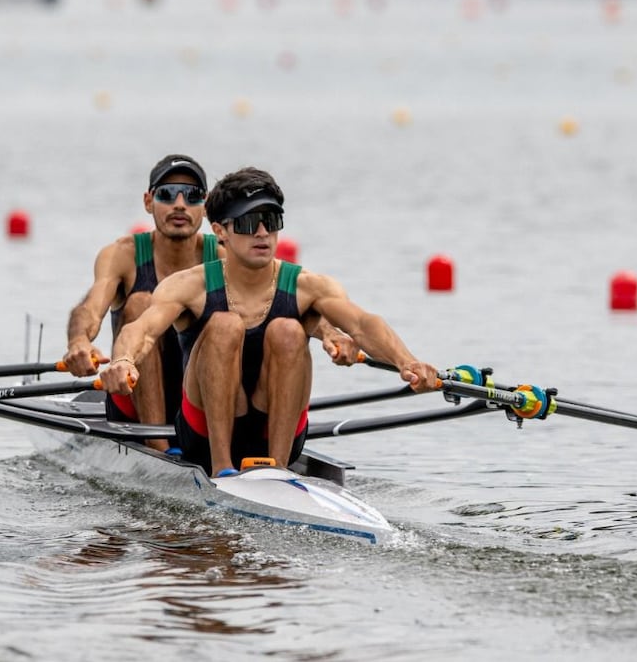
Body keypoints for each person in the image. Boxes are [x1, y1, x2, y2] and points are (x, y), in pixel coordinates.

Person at [100, 166, 442, 476]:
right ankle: (222, 468)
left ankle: (277, 470)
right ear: (221, 231)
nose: (262, 233)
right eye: (248, 223)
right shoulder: (191, 285)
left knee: (288, 330)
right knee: (225, 325)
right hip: (202, 434)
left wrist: (407, 362)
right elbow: (140, 330)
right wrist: (124, 360)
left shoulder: (310, 286)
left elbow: (363, 324)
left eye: (271, 220)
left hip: (275, 429)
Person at [65, 156, 355, 447]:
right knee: (141, 302)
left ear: (204, 208)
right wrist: (79, 342)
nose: (180, 204)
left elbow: (284, 297)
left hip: (202, 392)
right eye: (167, 194)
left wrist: (330, 332)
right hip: (133, 392)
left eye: (192, 196)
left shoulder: (226, 256)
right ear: (148, 202)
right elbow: (90, 308)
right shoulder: (122, 256)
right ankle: (158, 447)